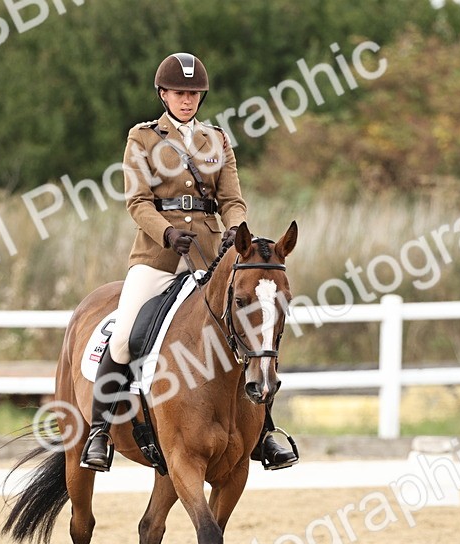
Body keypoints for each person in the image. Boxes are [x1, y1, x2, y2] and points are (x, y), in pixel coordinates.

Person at [80, 52, 299, 472]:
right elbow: (137, 201)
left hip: (212, 255)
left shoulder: (217, 140)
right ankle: (100, 432)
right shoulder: (142, 138)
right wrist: (166, 233)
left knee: (250, 329)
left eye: (194, 93)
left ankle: (264, 432)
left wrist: (234, 229)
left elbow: (232, 200)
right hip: (158, 255)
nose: (187, 100)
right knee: (123, 337)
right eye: (179, 93)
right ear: (163, 94)